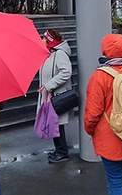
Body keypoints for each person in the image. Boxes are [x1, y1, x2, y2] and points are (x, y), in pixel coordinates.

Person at [84, 34, 122, 195]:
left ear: (106, 51)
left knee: (115, 181)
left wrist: (89, 130)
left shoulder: (99, 76)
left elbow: (93, 111)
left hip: (111, 136)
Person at [36, 28, 73, 163]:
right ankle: (59, 150)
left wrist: (49, 85)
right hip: (49, 95)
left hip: (56, 96)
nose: (41, 40)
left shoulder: (59, 54)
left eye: (43, 38)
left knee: (57, 124)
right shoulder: (50, 53)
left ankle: (62, 152)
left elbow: (66, 72)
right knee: (54, 124)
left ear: (49, 40)